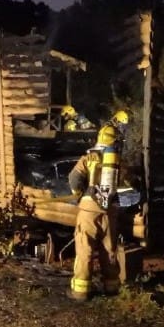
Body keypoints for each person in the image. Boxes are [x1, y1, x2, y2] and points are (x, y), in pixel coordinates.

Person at [67, 121, 125, 301]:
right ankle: (111, 287)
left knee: (85, 249)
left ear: (99, 138)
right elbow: (129, 182)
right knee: (109, 250)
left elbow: (74, 178)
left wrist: (78, 194)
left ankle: (81, 291)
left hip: (89, 209)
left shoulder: (89, 158)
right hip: (110, 211)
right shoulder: (117, 162)